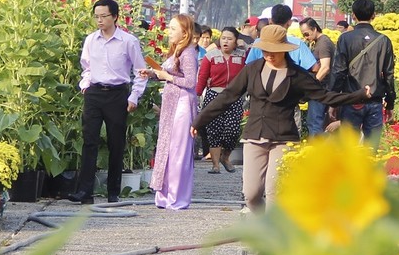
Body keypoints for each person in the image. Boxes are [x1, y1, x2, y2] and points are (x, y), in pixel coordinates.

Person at [194, 25, 371, 212]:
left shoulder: (297, 75)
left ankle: (269, 232)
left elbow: (325, 96)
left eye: (274, 51)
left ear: (284, 50)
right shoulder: (252, 69)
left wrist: (359, 95)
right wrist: (199, 121)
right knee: (251, 193)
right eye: (265, 51)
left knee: (273, 192)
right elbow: (227, 96)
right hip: (255, 135)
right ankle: (262, 220)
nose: (269, 55)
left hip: (283, 138)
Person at [71, 0, 149, 204]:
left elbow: (140, 71)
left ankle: (113, 191)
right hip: (94, 93)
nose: (100, 20)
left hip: (117, 94)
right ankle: (84, 191)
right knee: (89, 141)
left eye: (104, 16)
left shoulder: (128, 41)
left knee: (116, 142)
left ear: (115, 17)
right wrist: (85, 85)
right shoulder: (91, 40)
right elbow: (86, 66)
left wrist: (134, 96)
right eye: (96, 16)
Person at [143, 14, 199, 210]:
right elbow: (171, 75)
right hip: (171, 104)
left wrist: (166, 76)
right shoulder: (176, 51)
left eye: (174, 29)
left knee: (178, 152)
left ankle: (177, 197)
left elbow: (191, 82)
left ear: (185, 32)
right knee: (166, 147)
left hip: (182, 105)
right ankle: (165, 195)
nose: (169, 32)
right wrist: (153, 73)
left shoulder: (189, 53)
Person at [331, 0, 396, 145]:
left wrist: (333, 101)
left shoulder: (345, 39)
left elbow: (339, 71)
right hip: (375, 101)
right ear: (374, 15)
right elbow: (389, 75)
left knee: (349, 150)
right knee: (371, 149)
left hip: (351, 99)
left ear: (353, 15)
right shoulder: (383, 40)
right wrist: (390, 103)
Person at [196, 27, 245, 174]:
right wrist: (197, 95)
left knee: (233, 130)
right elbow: (202, 78)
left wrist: (245, 45)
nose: (226, 41)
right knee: (214, 130)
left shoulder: (243, 56)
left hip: (234, 97)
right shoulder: (210, 56)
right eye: (223, 38)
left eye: (230, 39)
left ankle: (226, 157)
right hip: (214, 96)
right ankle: (215, 165)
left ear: (236, 41)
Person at [245, 4, 316, 71]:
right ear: (289, 23)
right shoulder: (297, 44)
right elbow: (314, 68)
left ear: (270, 21)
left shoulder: (259, 43)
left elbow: (248, 67)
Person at [299, 17, 335, 135]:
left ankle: (315, 151)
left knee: (315, 123)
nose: (306, 37)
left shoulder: (323, 43)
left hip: (321, 89)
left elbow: (325, 67)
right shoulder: (319, 42)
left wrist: (312, 86)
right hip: (321, 88)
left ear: (314, 29)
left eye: (307, 34)